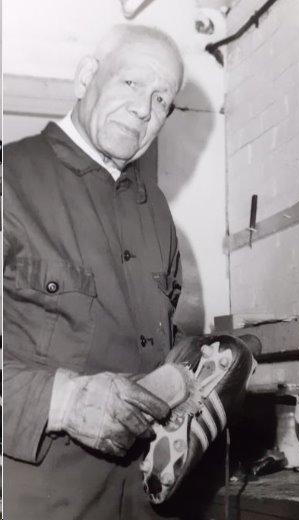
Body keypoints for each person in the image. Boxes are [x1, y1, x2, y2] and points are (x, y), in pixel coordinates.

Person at [3, 24, 185, 520]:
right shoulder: (8, 178)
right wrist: (59, 402)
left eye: (161, 99)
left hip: (147, 504)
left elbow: (163, 344)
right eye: (131, 83)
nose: (144, 109)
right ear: (86, 77)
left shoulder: (159, 214)